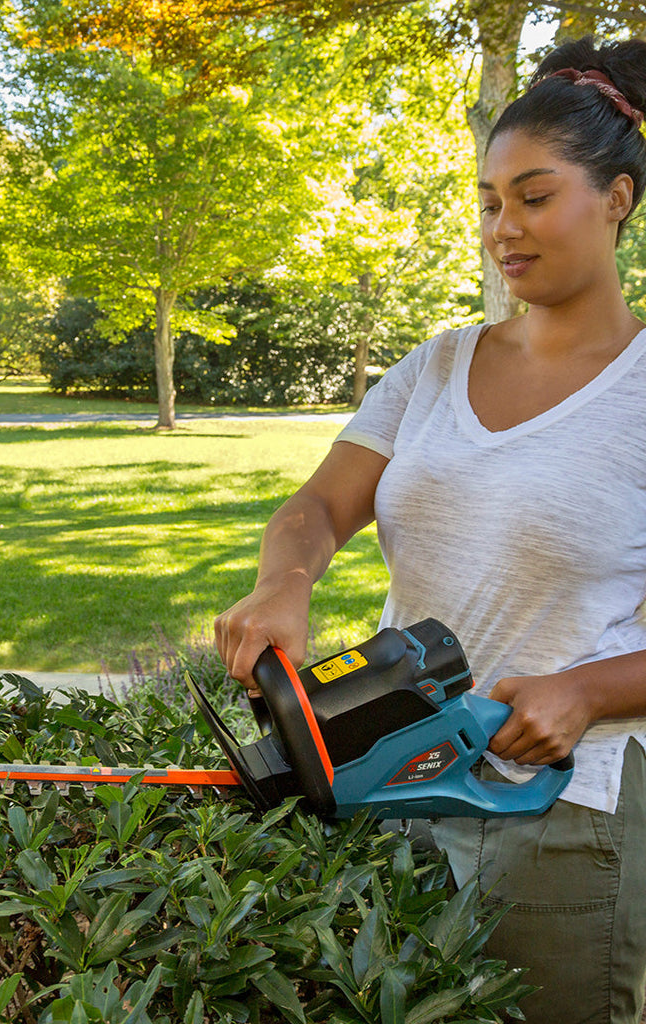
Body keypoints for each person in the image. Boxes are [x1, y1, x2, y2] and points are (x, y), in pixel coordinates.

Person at [214, 36, 646, 1024]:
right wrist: (287, 579)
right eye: (490, 201)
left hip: (561, 814)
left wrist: (583, 689)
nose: (504, 227)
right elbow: (317, 507)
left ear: (616, 199)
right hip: (395, 775)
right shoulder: (435, 366)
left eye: (534, 197)